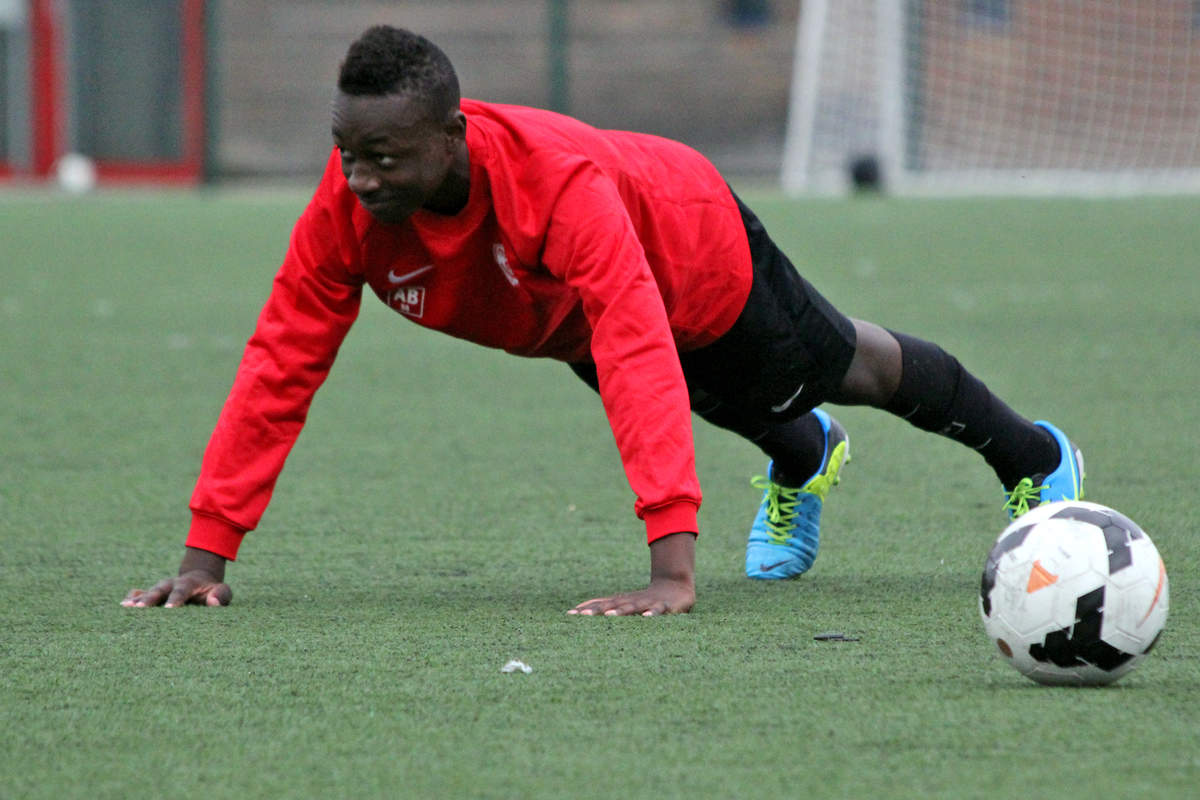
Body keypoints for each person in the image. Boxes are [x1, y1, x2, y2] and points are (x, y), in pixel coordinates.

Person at [122, 26, 1084, 616]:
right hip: (570, 318)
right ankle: (802, 457)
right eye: (346, 153)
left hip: (691, 245)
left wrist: (670, 570)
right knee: (706, 398)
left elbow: (636, 343)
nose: (360, 179)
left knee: (839, 371)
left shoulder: (558, 187)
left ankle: (1033, 455)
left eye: (383, 156)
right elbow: (280, 363)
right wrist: (205, 556)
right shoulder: (347, 213)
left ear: (452, 138)